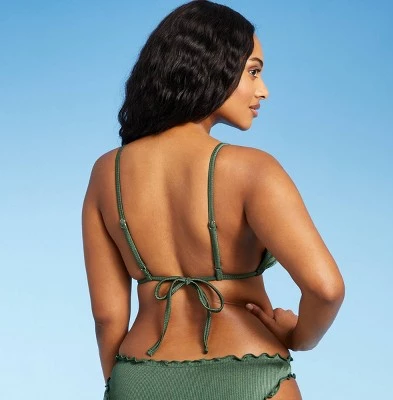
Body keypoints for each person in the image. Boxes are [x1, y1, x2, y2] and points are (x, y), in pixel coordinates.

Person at [82, 1, 345, 399]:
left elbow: (107, 316)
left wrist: (120, 387)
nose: (263, 90)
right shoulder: (252, 169)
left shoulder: (106, 173)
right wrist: (298, 336)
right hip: (249, 372)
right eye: (253, 71)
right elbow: (326, 288)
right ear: (211, 66)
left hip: (140, 375)